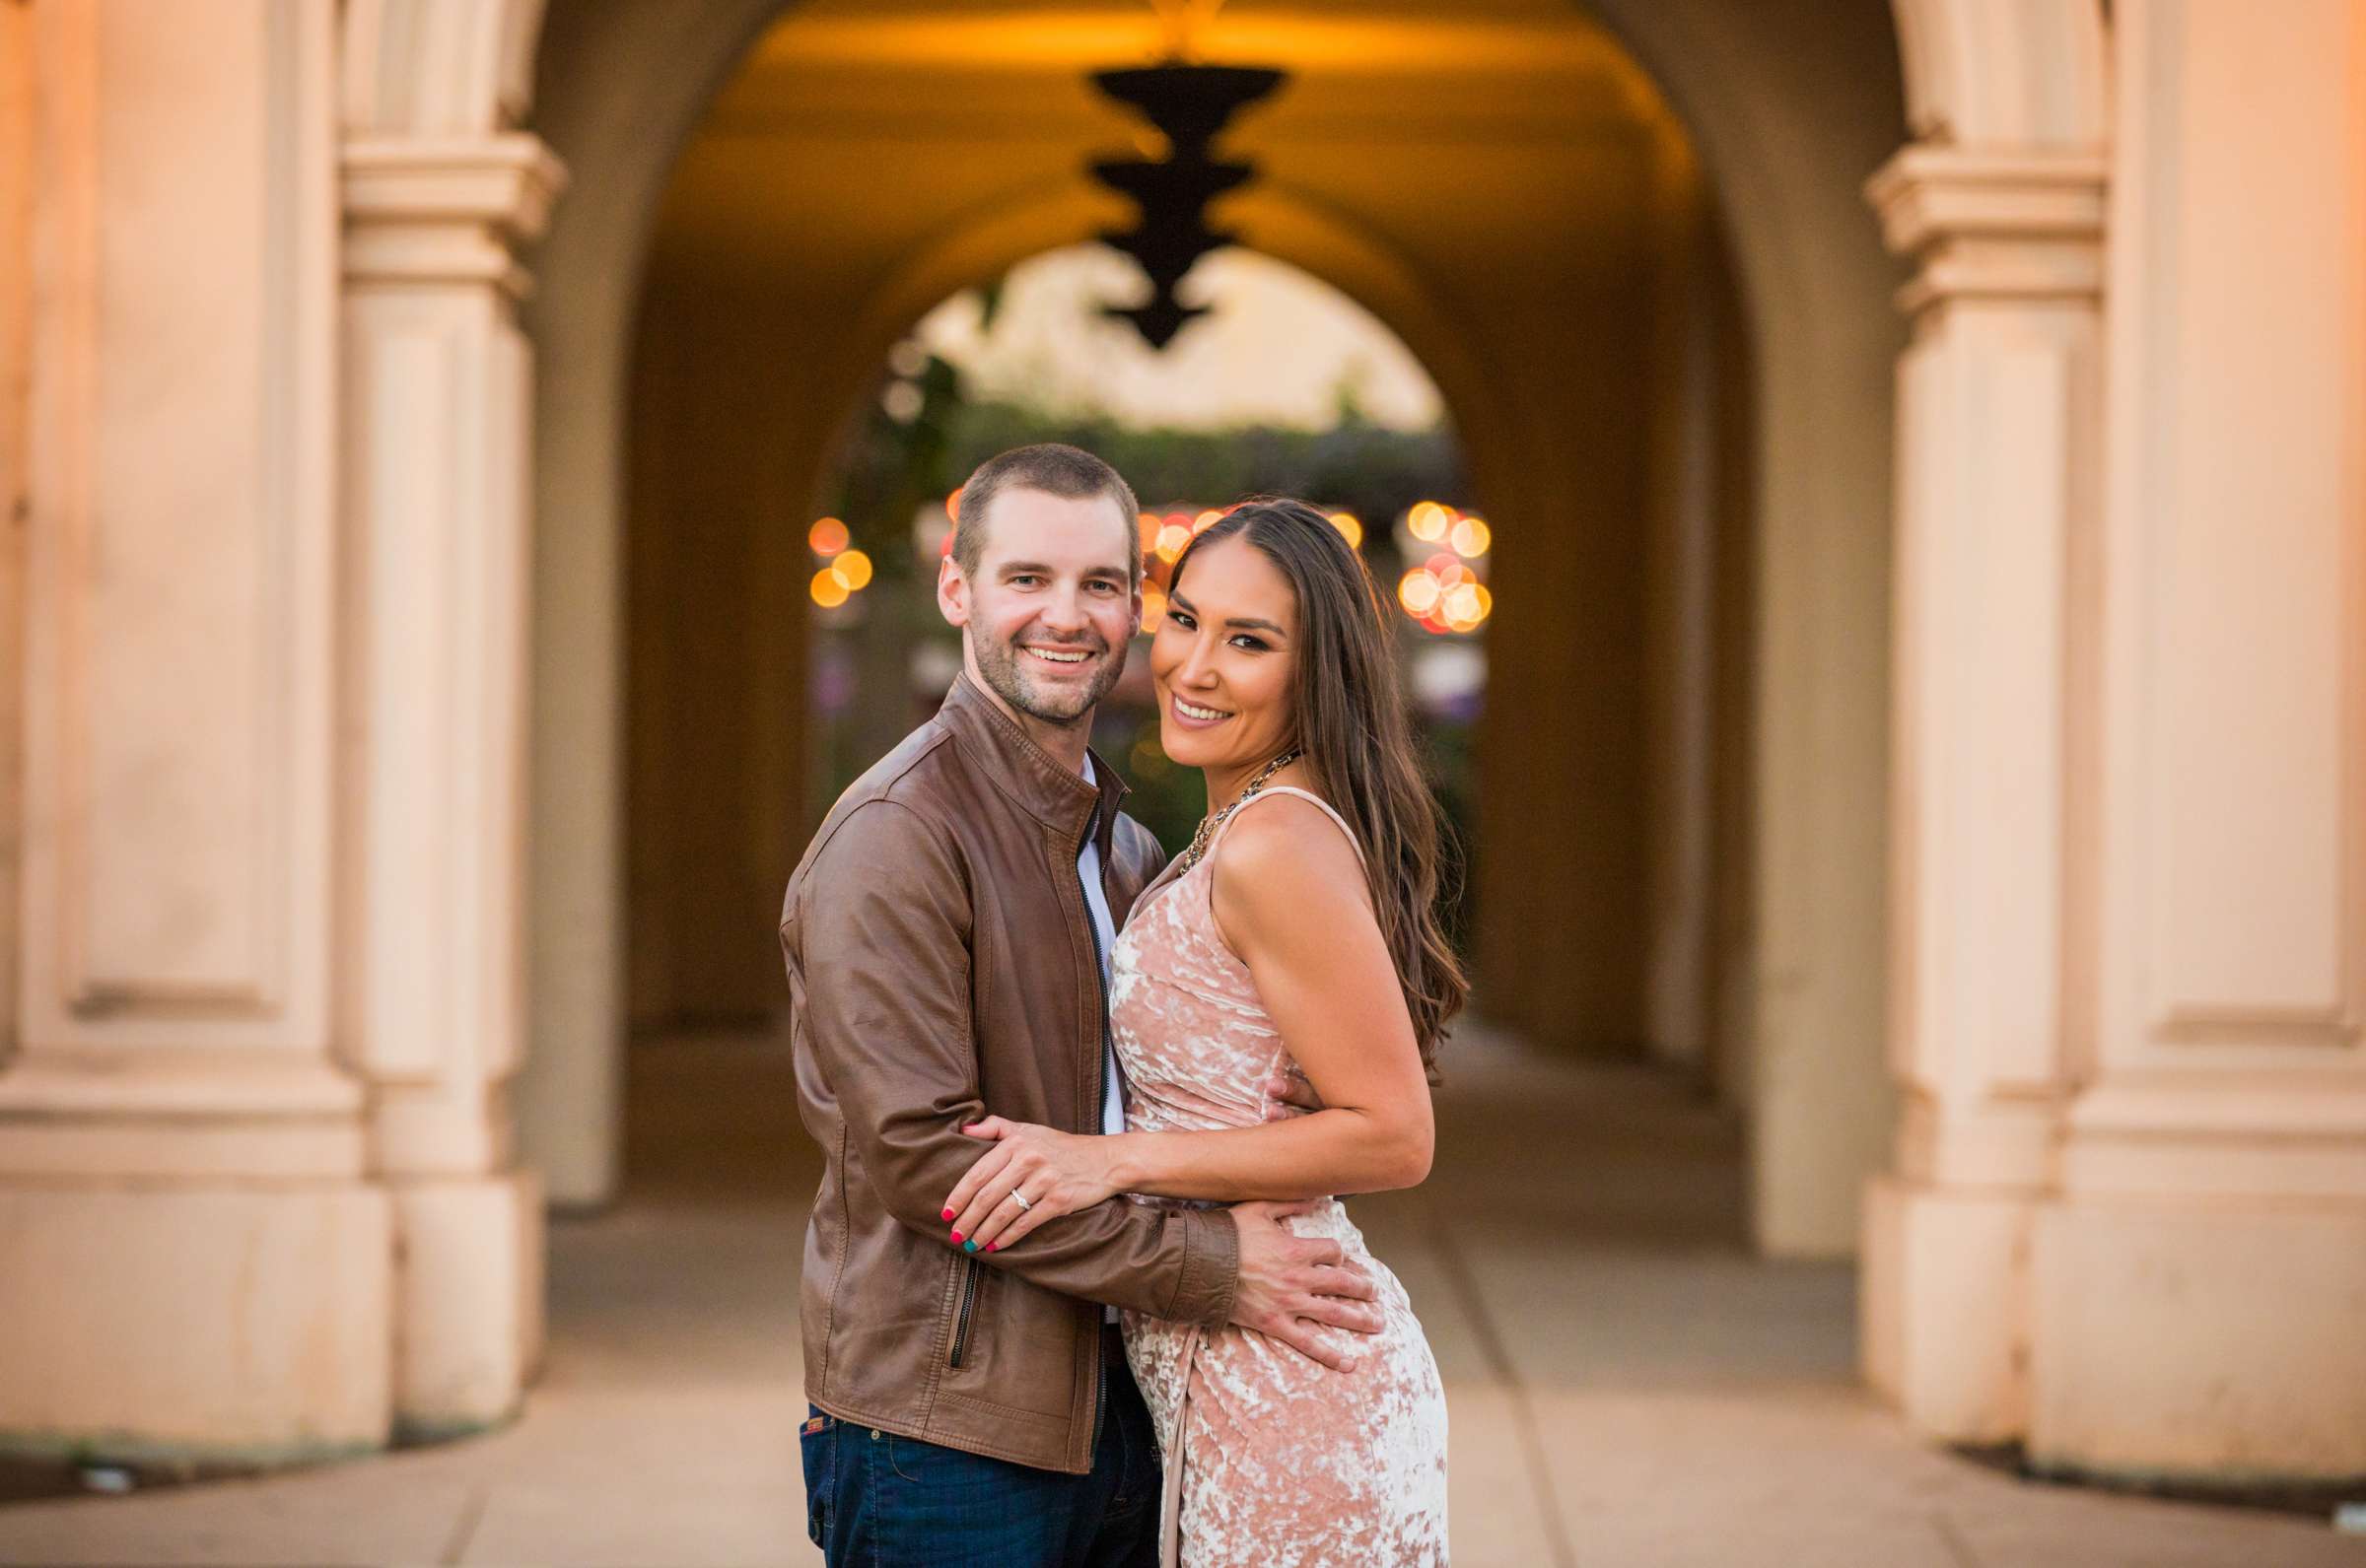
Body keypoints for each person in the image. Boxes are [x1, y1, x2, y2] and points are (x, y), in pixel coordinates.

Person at [779, 449, 1387, 1568]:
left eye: (1101, 584)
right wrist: (1211, 1265)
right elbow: (926, 1163)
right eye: (1026, 579)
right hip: (946, 1426)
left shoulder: (1125, 842)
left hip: (1116, 1405)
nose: (1067, 615)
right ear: (958, 591)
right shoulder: (895, 839)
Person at [940, 498, 1463, 1567]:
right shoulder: (1241, 824)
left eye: (1251, 641)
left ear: (1317, 675)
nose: (1196, 666)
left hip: (1295, 1387)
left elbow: (1393, 1132)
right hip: (1228, 1369)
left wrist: (1113, 1161)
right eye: (1187, 620)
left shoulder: (1275, 843)